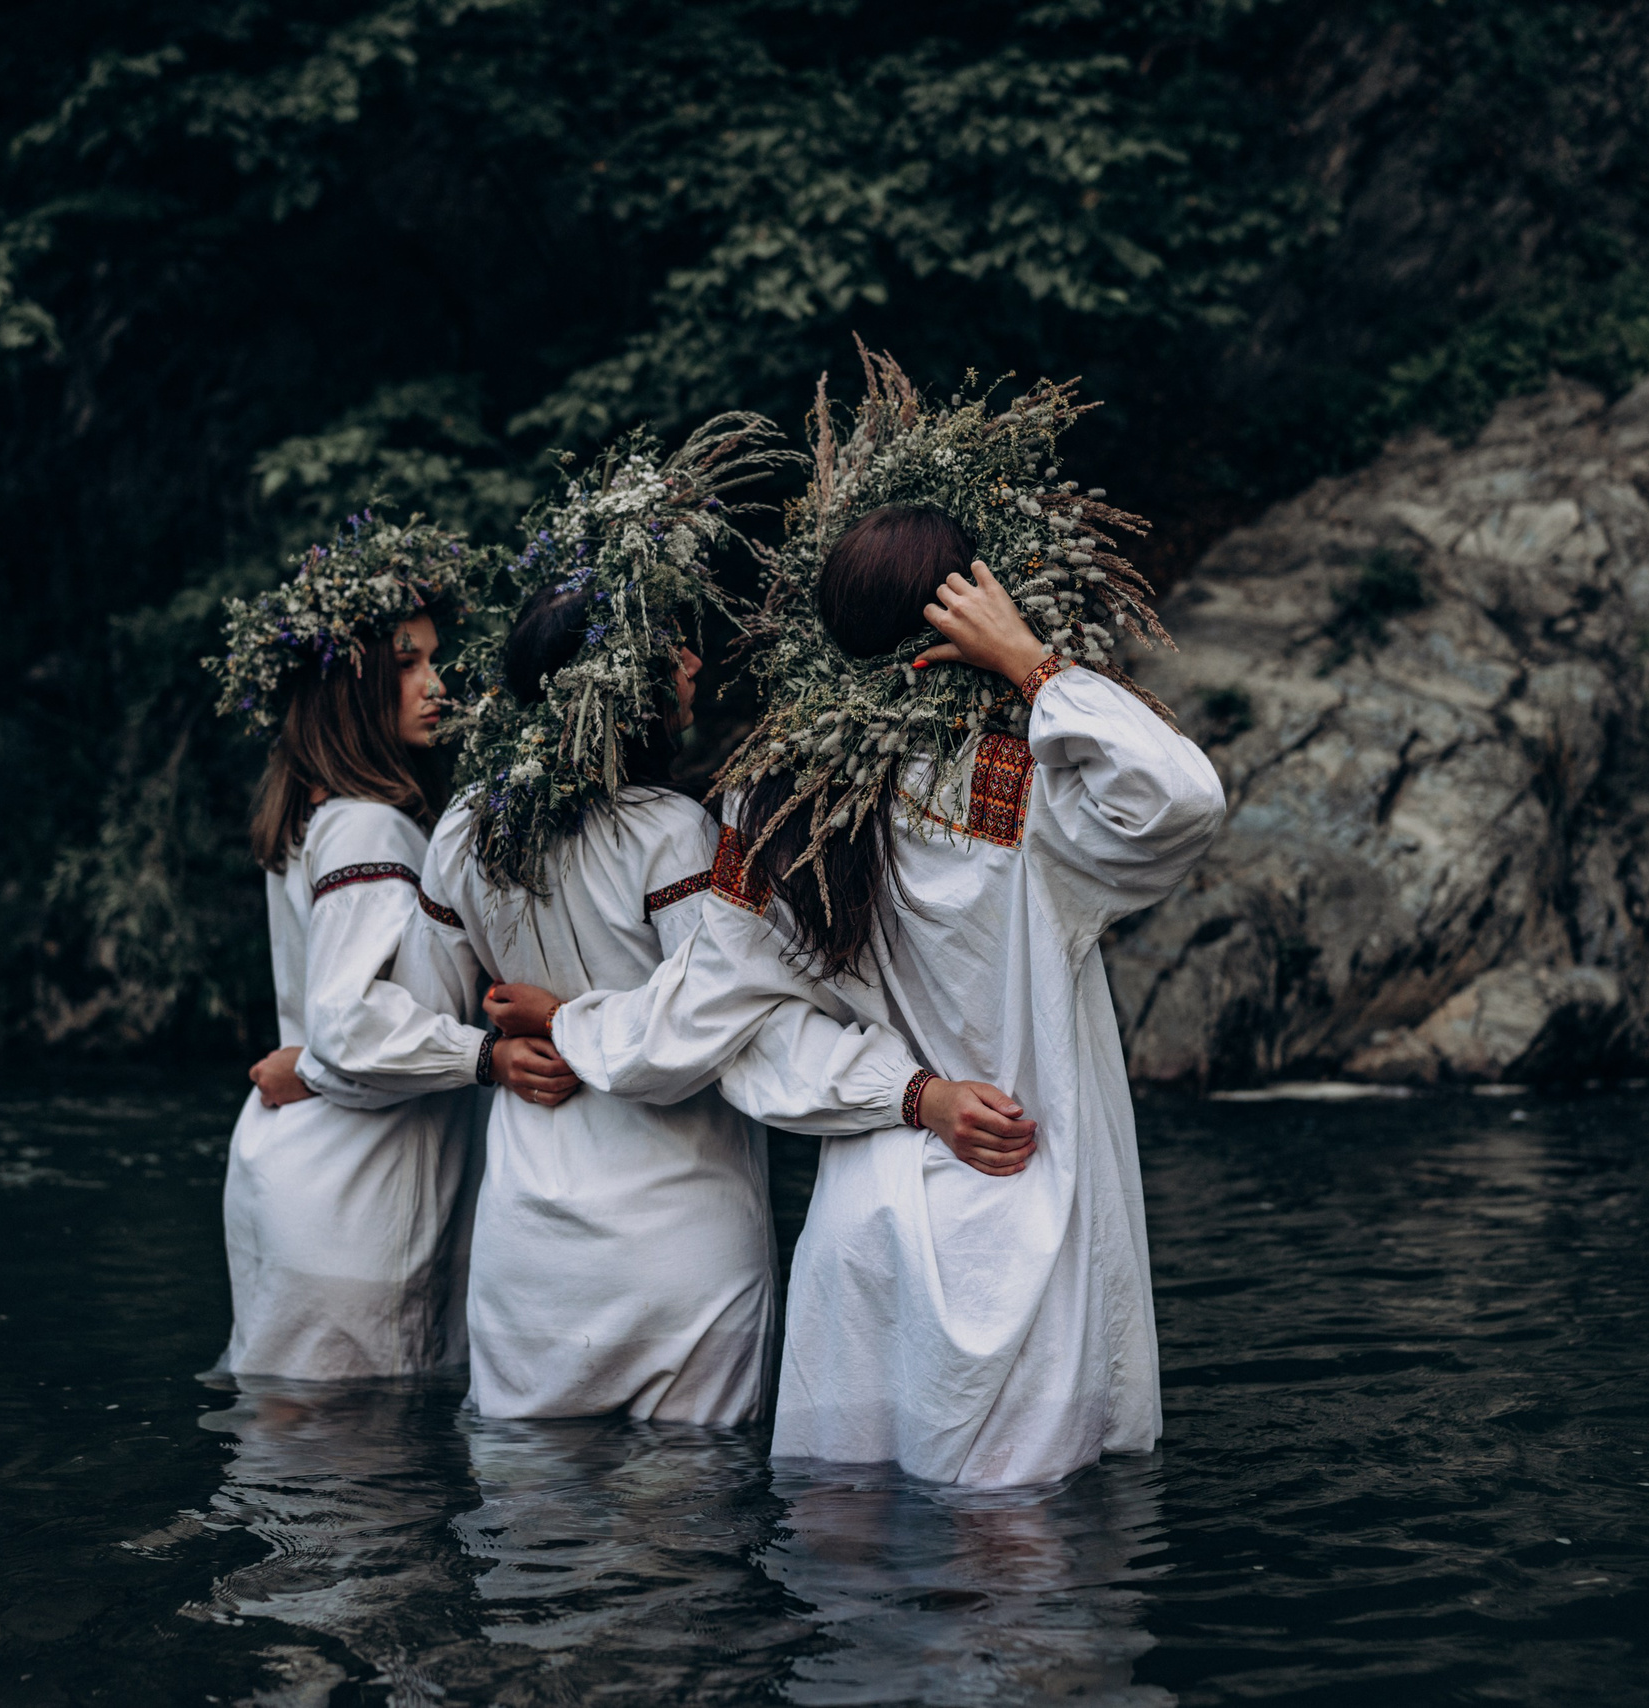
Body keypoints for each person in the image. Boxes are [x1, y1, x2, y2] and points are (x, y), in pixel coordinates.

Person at [494, 365, 1224, 1486]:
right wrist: (1034, 664)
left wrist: (907, 1096)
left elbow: (730, 1029)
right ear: (960, 626)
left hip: (861, 1237)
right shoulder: (1027, 797)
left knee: (846, 1607)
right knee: (1016, 1613)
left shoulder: (766, 810)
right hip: (1014, 1221)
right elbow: (1184, 798)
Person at [333, 421, 1029, 1427]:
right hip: (677, 1239)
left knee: (532, 1551)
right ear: (614, 694)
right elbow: (722, 1017)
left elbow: (408, 1020)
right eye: (671, 650)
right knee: (681, 1545)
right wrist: (911, 1088)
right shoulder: (673, 833)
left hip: (528, 1247)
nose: (696, 663)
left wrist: (496, 1050)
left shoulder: (459, 835)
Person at [201, 517, 563, 1383]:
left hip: (303, 1164)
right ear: (349, 689)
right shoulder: (370, 824)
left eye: (433, 660)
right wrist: (490, 1056)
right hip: (354, 1188)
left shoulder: (317, 815)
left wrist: (309, 1066)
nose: (436, 685)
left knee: (294, 1469)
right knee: (355, 1487)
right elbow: (348, 1024)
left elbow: (326, 1031)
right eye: (407, 665)